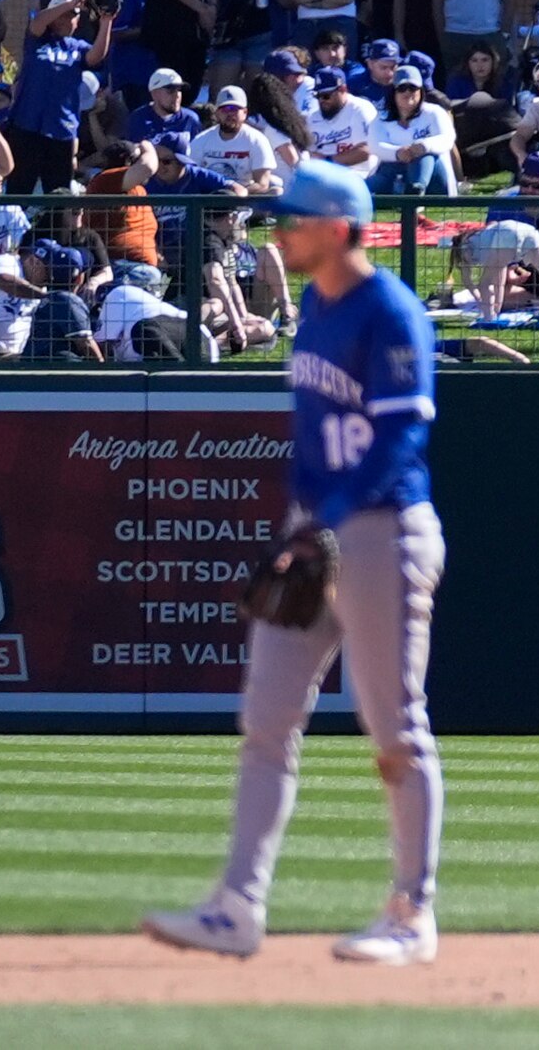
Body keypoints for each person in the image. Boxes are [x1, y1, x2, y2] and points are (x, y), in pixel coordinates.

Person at [142, 162, 444, 964]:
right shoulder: (312, 302)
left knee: (395, 729)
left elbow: (402, 437)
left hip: (385, 532)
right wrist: (298, 525)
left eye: (295, 219)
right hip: (320, 529)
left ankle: (412, 913)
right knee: (267, 717)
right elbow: (311, 434)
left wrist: (333, 521)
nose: (281, 229)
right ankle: (236, 908)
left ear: (339, 228)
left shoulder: (391, 312)